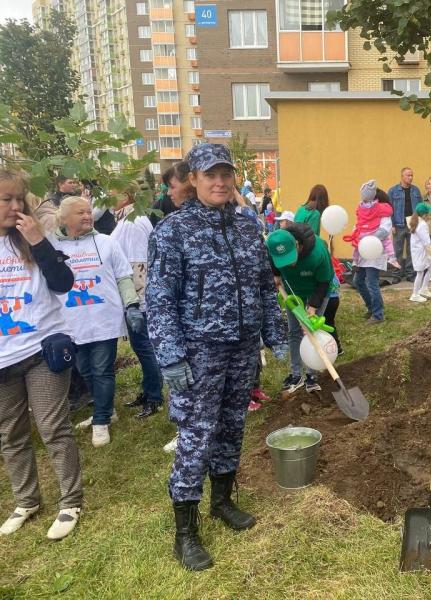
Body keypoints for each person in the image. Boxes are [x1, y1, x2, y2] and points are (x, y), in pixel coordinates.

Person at [147, 143, 287, 571]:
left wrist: (274, 333)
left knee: (232, 424)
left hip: (243, 347)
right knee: (196, 434)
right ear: (193, 178)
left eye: (226, 174)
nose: (220, 182)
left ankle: (222, 501)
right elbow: (159, 299)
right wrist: (170, 356)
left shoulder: (248, 227)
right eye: (210, 175)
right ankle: (184, 532)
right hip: (199, 352)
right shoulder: (173, 231)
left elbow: (265, 285)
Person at [0, 169, 84, 540]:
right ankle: (27, 500)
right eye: (7, 200)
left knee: (53, 427)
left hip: (42, 347)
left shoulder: (35, 238)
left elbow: (64, 284)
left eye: (20, 199)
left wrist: (38, 243)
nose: (16, 206)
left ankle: (70, 501)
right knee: (11, 433)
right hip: (3, 357)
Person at [51, 196, 146, 447]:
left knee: (103, 369)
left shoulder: (106, 243)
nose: (87, 216)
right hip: (71, 323)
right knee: (84, 369)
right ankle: (106, 409)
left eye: (87, 211)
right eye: (80, 212)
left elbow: (124, 276)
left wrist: (132, 305)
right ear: (64, 219)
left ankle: (101, 420)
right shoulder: (53, 247)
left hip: (105, 319)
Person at [110, 181, 164, 419]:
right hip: (136, 298)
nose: (108, 199)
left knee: (145, 347)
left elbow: (138, 265)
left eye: (113, 193)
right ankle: (148, 390)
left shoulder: (132, 223)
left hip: (139, 299)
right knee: (142, 347)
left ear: (127, 195)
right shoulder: (126, 219)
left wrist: (136, 303)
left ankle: (154, 396)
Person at [266, 223, 333, 395]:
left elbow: (324, 281)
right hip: (292, 294)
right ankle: (296, 374)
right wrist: (276, 274)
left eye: (291, 257)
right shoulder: (273, 246)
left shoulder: (317, 253)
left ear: (297, 244)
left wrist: (312, 307)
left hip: (315, 291)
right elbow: (271, 260)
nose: (290, 265)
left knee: (311, 333)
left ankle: (311, 375)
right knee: (294, 331)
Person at [351, 188, 393, 325]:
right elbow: (360, 226)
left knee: (372, 282)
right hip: (363, 252)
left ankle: (378, 314)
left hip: (375, 252)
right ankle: (372, 307)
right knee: (358, 281)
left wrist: (367, 238)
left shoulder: (383, 213)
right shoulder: (365, 212)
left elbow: (384, 231)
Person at [343, 180, 399, 269]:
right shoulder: (380, 209)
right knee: (387, 242)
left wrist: (361, 235)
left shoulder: (361, 208)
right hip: (367, 248)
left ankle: (355, 260)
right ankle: (392, 258)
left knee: (371, 278)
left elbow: (384, 230)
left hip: (374, 253)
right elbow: (389, 210)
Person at [388, 167, 423, 278]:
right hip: (398, 225)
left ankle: (410, 274)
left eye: (412, 175)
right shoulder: (393, 191)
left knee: (411, 250)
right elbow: (389, 209)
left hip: (412, 225)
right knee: (397, 251)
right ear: (402, 176)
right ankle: (396, 275)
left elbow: (420, 208)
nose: (410, 177)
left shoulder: (416, 190)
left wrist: (419, 222)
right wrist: (391, 224)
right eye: (408, 175)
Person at [408, 202, 431, 302]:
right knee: (420, 273)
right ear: (424, 214)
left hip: (419, 251)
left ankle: (424, 289)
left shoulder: (415, 221)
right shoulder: (422, 224)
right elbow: (426, 242)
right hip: (421, 252)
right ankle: (415, 294)